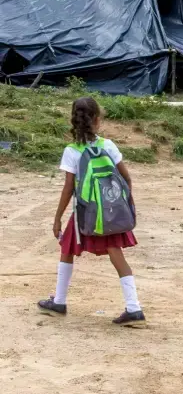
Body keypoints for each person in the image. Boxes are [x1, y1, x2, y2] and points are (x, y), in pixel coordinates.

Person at [37, 97, 146, 327]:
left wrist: (57, 218)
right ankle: (134, 308)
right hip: (111, 211)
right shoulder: (108, 146)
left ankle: (59, 301)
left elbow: (69, 188)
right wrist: (122, 205)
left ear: (74, 121)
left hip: (85, 212)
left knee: (67, 249)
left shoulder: (72, 151)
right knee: (116, 253)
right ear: (97, 120)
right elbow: (126, 178)